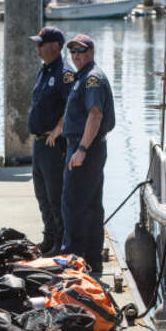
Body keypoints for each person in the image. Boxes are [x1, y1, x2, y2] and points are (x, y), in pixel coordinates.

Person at [59, 34, 115, 275]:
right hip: (86, 146)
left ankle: (74, 262)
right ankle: (91, 261)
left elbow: (95, 114)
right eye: (72, 51)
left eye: (81, 51)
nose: (76, 56)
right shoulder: (82, 77)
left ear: (91, 52)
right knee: (90, 205)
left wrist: (81, 150)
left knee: (74, 204)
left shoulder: (92, 78)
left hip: (86, 148)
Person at [28, 27, 76, 256]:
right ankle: (49, 238)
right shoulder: (45, 70)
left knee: (55, 195)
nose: (37, 48)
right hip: (39, 143)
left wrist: (58, 129)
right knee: (42, 194)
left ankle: (60, 242)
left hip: (53, 144)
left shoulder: (64, 73)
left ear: (55, 46)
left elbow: (72, 105)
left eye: (41, 44)